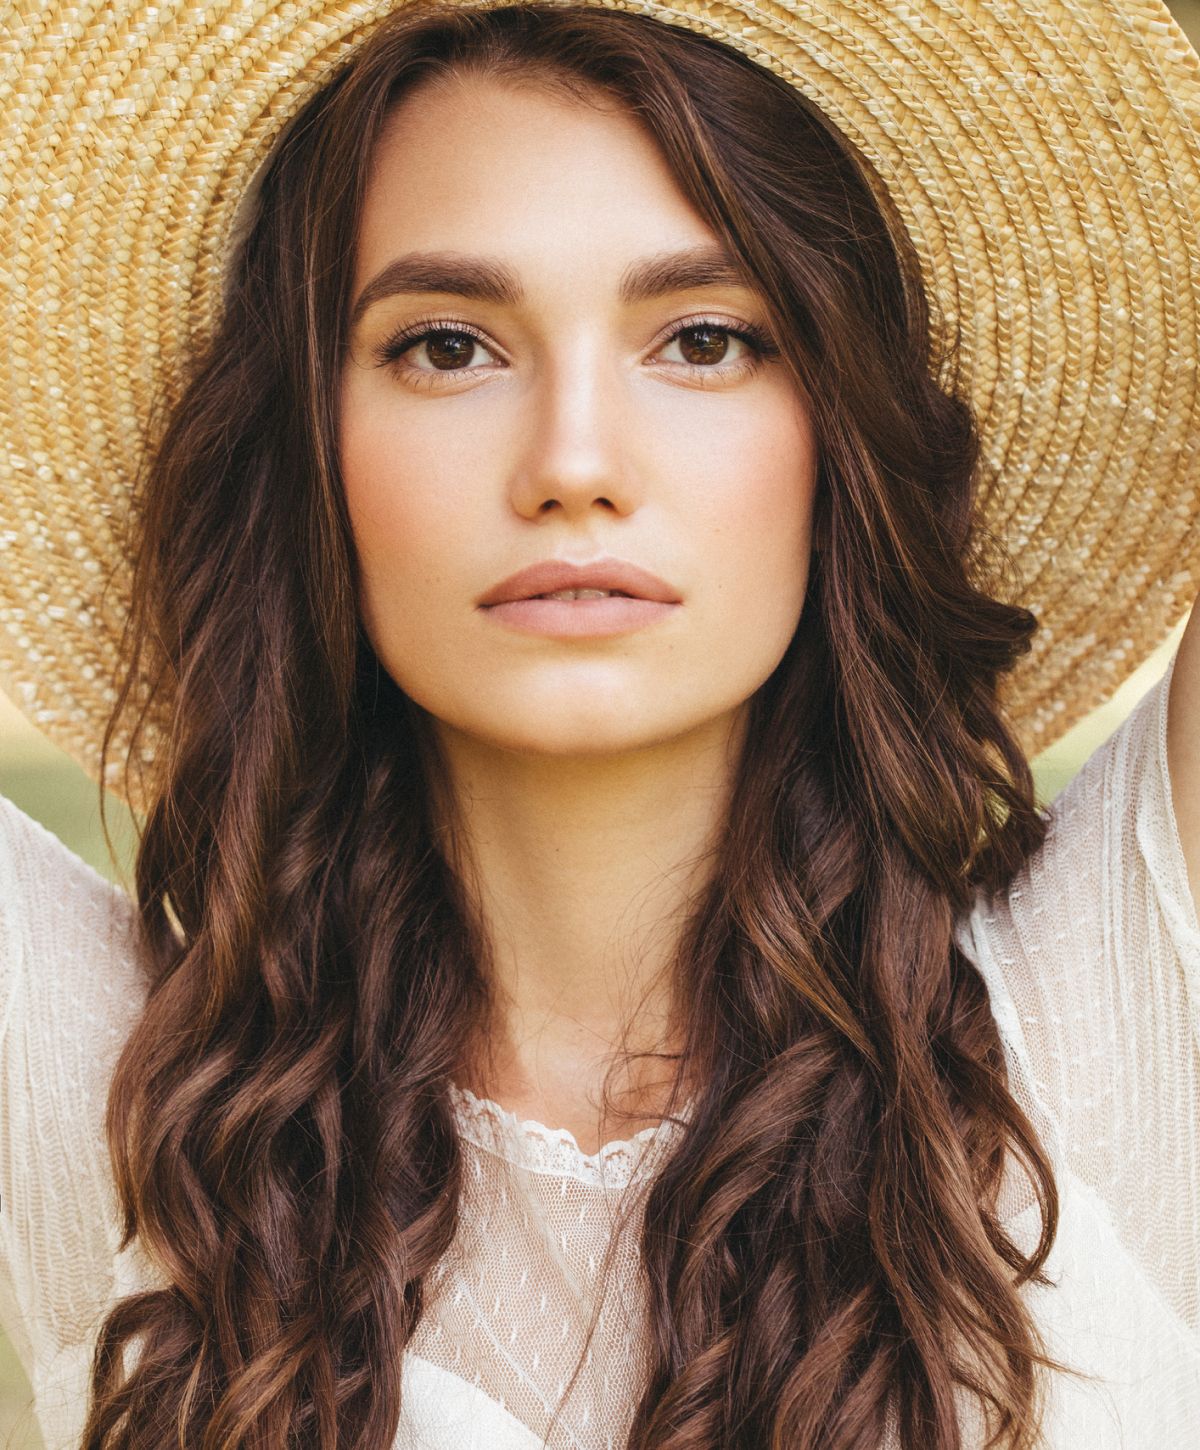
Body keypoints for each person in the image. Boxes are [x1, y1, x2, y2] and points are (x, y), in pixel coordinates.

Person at [0, 0, 1197, 1446]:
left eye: (703, 338)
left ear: (841, 438)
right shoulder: (124, 1102)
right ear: (308, 448)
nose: (574, 463)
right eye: (447, 346)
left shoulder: (1097, 1013)